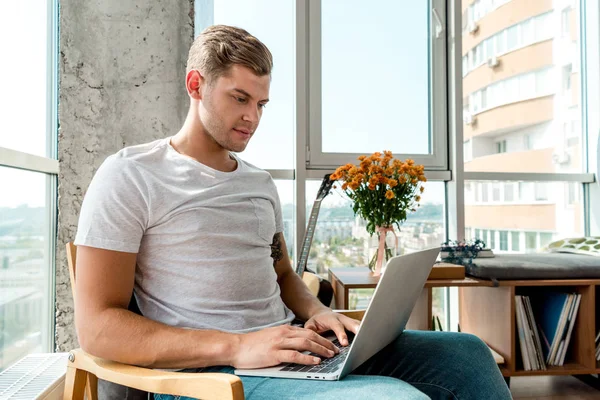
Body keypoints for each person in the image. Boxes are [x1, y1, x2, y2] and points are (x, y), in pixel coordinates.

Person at [74, 25, 512, 400]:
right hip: (210, 376)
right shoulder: (131, 175)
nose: (252, 118)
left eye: (261, 104)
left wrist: (316, 312)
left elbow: (283, 276)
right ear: (195, 85)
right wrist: (236, 348)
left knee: (467, 354)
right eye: (239, 98)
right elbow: (98, 328)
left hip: (291, 347)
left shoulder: (258, 183)